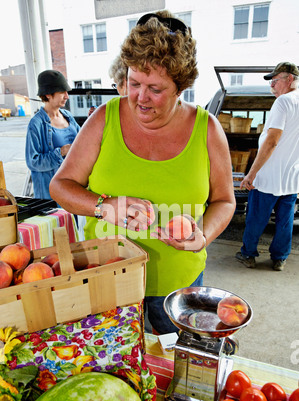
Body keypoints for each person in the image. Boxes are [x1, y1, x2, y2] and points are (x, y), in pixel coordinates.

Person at [49, 11, 236, 334]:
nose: (140, 98)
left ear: (181, 87)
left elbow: (225, 201)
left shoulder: (207, 129)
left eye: (155, 89)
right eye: (134, 83)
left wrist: (203, 235)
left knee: (176, 364)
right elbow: (61, 186)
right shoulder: (103, 119)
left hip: (178, 282)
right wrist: (105, 205)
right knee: (112, 365)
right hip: (109, 275)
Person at [236, 62, 299, 271]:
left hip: (268, 177)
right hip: (291, 178)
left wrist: (251, 174)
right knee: (284, 221)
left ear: (289, 79)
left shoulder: (283, 102)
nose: (272, 85)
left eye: (275, 80)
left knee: (256, 217)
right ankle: (279, 258)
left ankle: (248, 254)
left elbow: (271, 141)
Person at [25, 69, 80, 200]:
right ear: (48, 94)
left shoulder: (68, 117)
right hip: (52, 195)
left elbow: (84, 142)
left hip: (74, 188)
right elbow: (33, 162)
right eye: (62, 92)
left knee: (74, 221)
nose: (67, 96)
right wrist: (61, 152)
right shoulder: (36, 124)